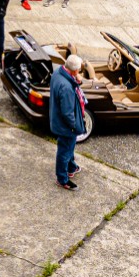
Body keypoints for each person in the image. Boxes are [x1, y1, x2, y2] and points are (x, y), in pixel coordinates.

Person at [49, 54, 88, 190]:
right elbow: (67, 113)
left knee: (69, 147)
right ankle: (62, 179)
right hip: (65, 126)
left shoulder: (58, 73)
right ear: (75, 71)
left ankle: (71, 167)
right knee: (64, 151)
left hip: (57, 119)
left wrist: (77, 80)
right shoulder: (66, 87)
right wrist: (75, 126)